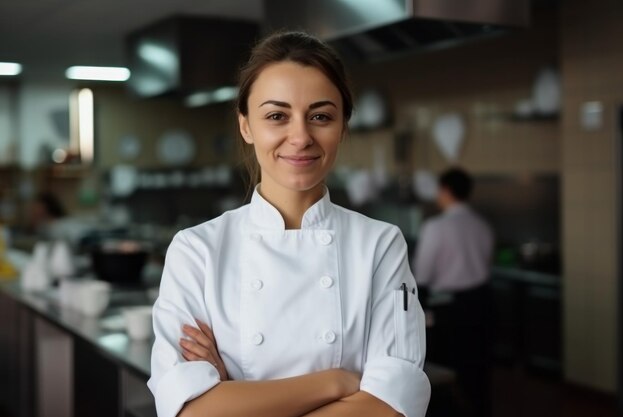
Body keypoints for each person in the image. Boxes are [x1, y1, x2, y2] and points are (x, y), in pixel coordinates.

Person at [148, 32, 431, 417]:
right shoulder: (196, 250)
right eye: (276, 116)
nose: (300, 137)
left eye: (320, 116)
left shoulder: (380, 245)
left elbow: (396, 403)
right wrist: (336, 382)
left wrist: (234, 395)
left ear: (343, 127)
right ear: (246, 126)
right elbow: (187, 411)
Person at [412, 168, 494, 417]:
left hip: (449, 308)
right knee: (478, 368)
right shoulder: (482, 225)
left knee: (447, 370)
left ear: (445, 191)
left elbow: (422, 275)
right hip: (482, 302)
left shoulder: (436, 227)